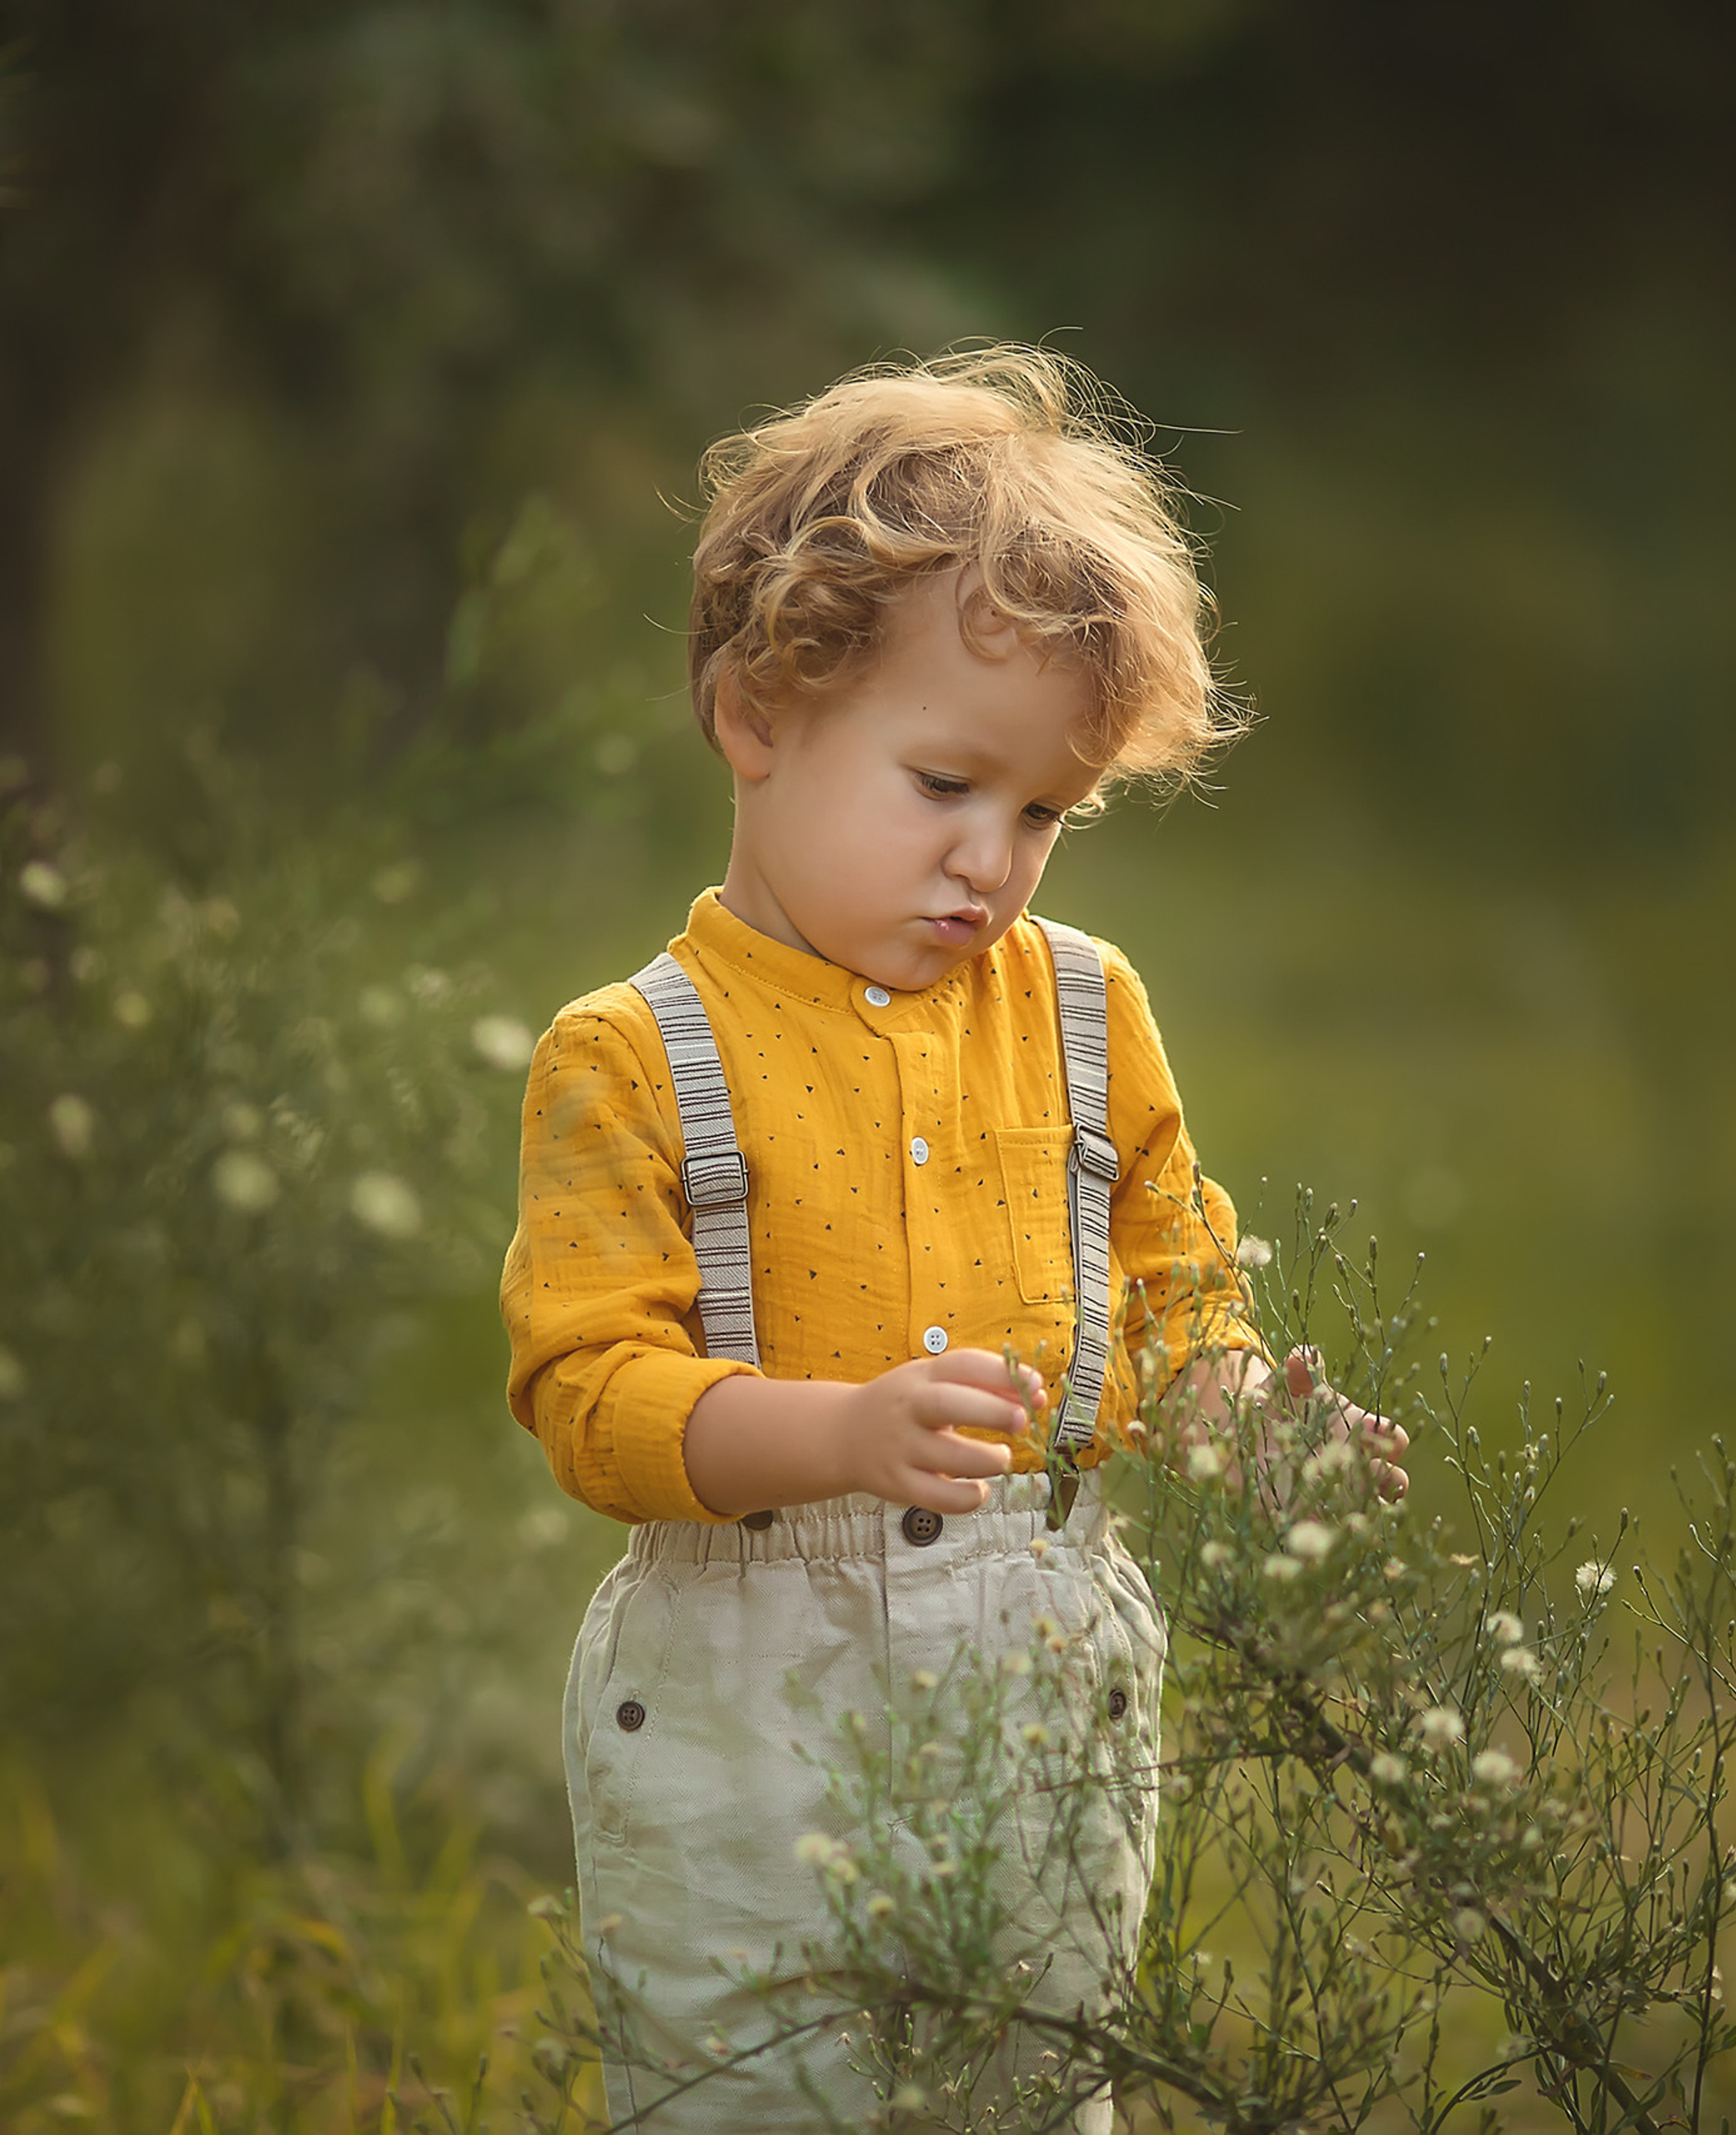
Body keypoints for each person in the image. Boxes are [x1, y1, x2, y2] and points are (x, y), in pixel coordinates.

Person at [501, 346, 1408, 2132]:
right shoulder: (631, 1054)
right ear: (757, 713)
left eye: (1042, 812)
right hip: (750, 1692)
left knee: (1031, 2072)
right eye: (941, 785)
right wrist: (835, 1431)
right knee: (754, 2088)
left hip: (1038, 1662)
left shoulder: (1080, 1009)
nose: (988, 862)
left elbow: (1160, 1292)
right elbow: (589, 1394)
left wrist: (1233, 1408)